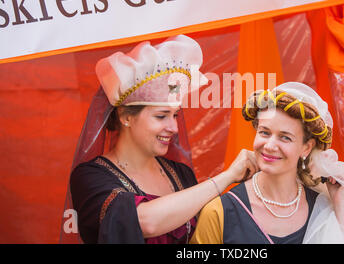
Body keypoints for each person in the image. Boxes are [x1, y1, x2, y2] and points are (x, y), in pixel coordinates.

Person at [64, 35, 258, 244]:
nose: (174, 127)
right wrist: (227, 177)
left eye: (175, 115)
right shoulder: (90, 177)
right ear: (125, 116)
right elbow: (144, 222)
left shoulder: (180, 174)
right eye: (161, 116)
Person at [190, 82, 344, 244]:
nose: (269, 145)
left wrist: (339, 204)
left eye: (285, 137)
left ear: (306, 148)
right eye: (264, 132)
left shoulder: (323, 206)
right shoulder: (220, 212)